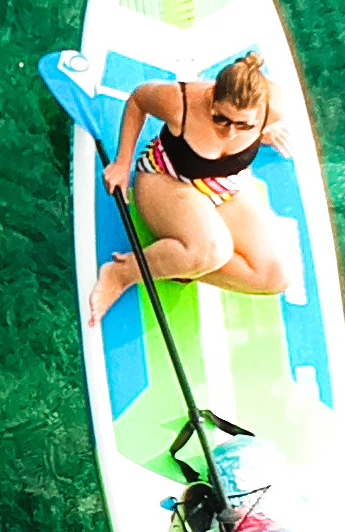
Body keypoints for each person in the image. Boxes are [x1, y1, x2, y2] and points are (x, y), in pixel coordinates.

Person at [85, 52, 292, 327]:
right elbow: (138, 100)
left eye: (243, 125)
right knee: (214, 249)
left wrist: (261, 132)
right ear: (212, 96)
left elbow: (258, 120)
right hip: (167, 178)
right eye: (221, 119)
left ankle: (179, 261)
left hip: (224, 186)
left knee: (276, 275)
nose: (230, 132)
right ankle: (124, 272)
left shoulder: (272, 108)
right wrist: (122, 163)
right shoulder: (181, 102)